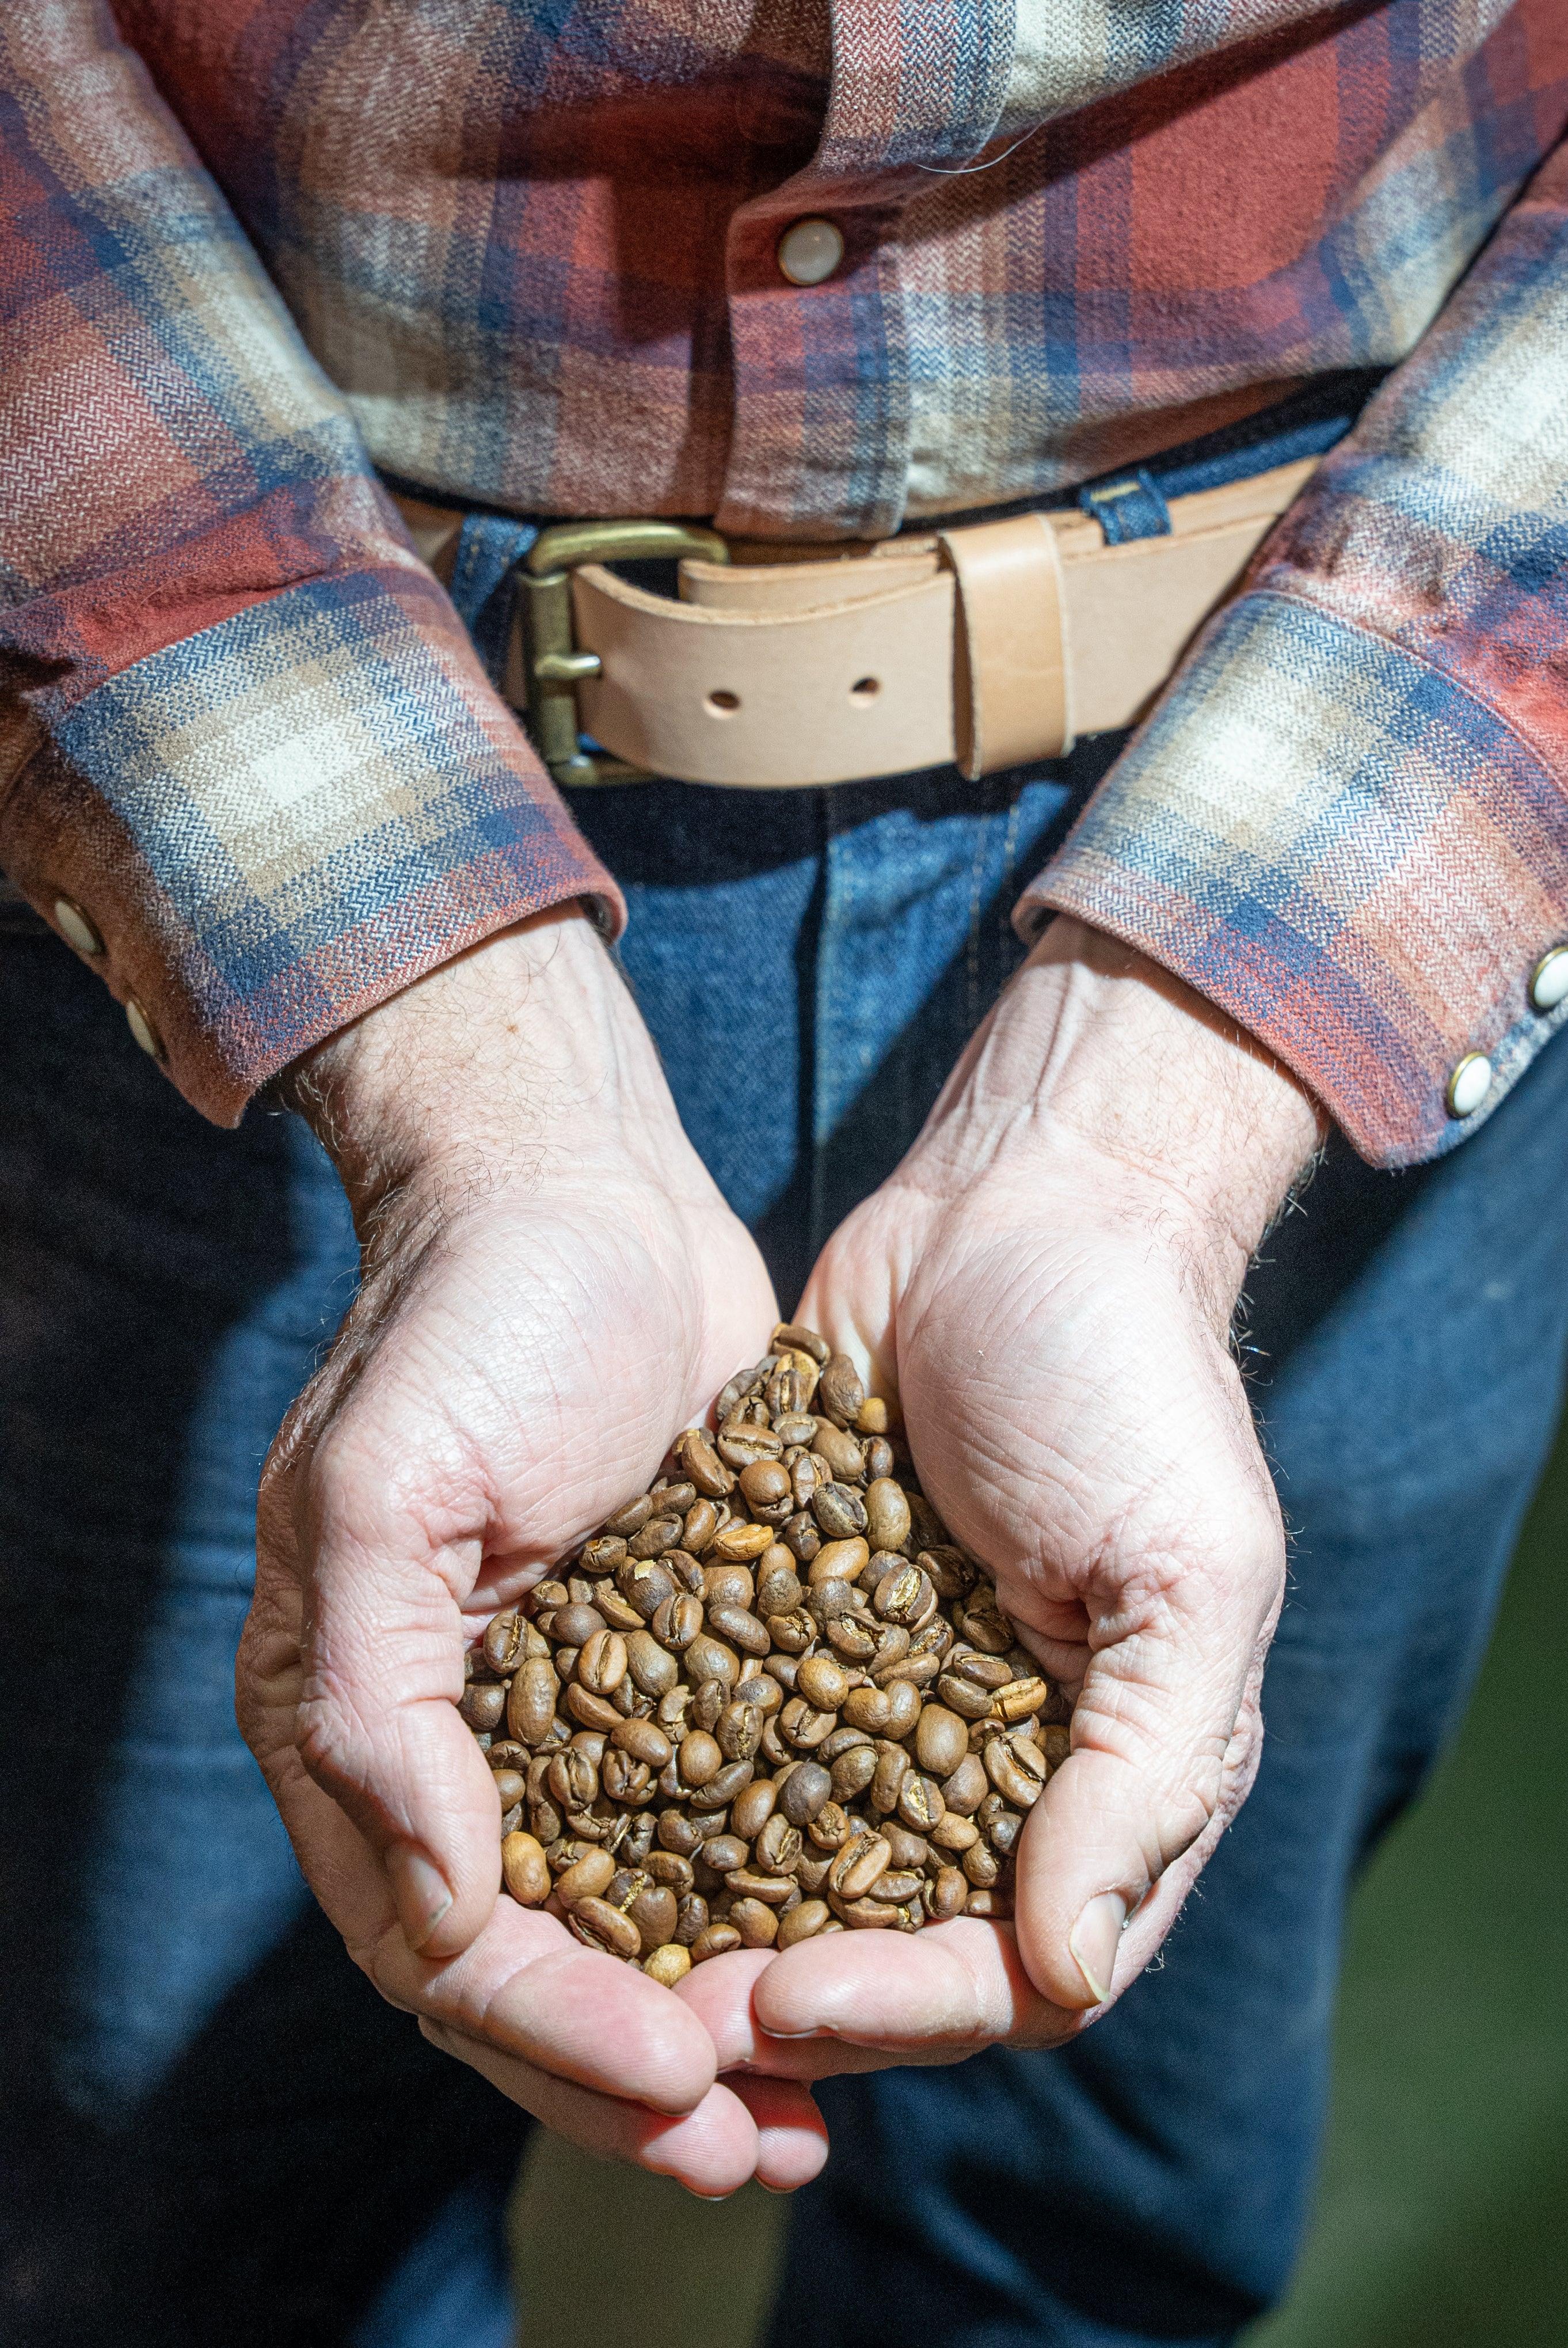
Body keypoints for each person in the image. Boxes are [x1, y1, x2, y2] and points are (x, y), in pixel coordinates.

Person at [2, 3, 1565, 2342]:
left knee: (1099, 2213)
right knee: (169, 2216)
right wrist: (473, 1106)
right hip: (233, 773)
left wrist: (1134, 1153)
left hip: (1366, 724)